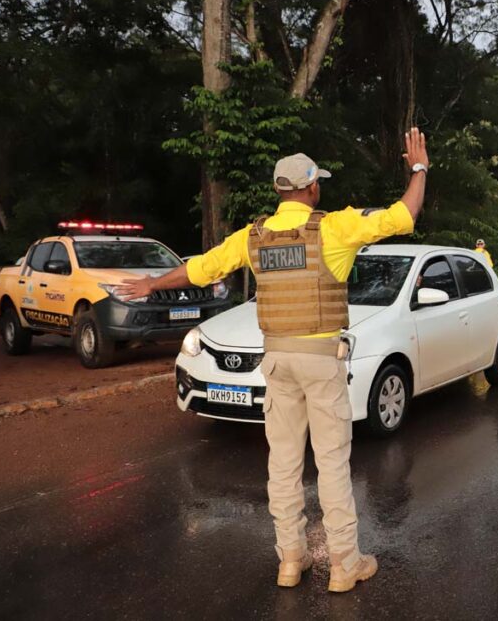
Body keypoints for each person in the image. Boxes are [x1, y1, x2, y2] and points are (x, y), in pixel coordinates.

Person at [116, 129, 431, 592]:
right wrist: (419, 169)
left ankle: (290, 560)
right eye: (317, 182)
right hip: (321, 362)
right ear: (310, 187)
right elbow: (404, 214)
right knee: (332, 465)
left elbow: (203, 267)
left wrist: (151, 285)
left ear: (279, 191)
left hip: (277, 362)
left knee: (282, 465)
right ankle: (344, 565)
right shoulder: (333, 227)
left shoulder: (254, 236)